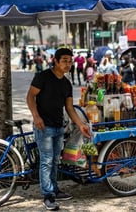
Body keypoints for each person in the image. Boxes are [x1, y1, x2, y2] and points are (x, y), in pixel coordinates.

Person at [26, 48, 91, 210]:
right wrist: (36, 116)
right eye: (64, 60)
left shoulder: (67, 84)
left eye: (70, 61)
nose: (68, 64)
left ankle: (54, 189)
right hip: (44, 126)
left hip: (58, 126)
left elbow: (69, 108)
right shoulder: (43, 77)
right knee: (47, 160)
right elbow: (30, 96)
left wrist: (81, 125)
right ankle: (48, 195)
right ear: (55, 61)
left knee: (55, 160)